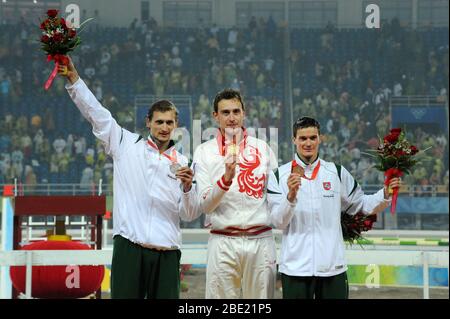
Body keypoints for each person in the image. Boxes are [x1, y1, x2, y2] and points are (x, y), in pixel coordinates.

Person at [58, 57, 200, 299]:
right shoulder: (125, 143)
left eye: (169, 122)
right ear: (148, 122)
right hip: (129, 248)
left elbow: (188, 214)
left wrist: (187, 189)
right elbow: (97, 114)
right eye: (159, 122)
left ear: (176, 124)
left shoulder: (185, 164)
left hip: (166, 252)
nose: (164, 127)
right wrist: (74, 80)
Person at [267, 116, 401, 299]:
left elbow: (361, 205)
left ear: (320, 138)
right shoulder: (278, 177)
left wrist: (385, 194)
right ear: (294, 140)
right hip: (295, 268)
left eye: (313, 138)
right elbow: (277, 222)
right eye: (303, 138)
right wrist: (290, 196)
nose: (308, 143)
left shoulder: (336, 173)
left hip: (332, 267)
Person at [192, 88, 279, 298]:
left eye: (236, 111)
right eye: (225, 112)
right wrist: (225, 181)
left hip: (261, 239)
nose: (231, 118)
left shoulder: (263, 148)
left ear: (243, 113)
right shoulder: (204, 152)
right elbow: (205, 205)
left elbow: (276, 198)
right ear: (215, 116)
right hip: (222, 241)